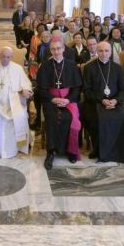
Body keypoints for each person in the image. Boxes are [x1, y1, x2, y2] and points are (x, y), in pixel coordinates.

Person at [83, 42, 124, 163]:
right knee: (99, 118)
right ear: (97, 51)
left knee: (122, 117)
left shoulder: (117, 67)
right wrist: (102, 100)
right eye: (101, 51)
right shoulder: (89, 67)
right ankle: (99, 151)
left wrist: (115, 100)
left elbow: (123, 89)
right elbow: (86, 90)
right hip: (96, 102)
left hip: (114, 101)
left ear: (110, 52)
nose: (104, 53)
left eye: (106, 51)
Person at [36, 40, 83, 170]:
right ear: (50, 51)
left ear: (63, 49)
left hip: (68, 99)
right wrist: (52, 99)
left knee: (70, 118)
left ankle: (71, 150)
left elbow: (76, 87)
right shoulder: (45, 66)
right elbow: (40, 88)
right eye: (53, 49)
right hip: (50, 100)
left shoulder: (71, 65)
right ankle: (50, 152)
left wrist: (68, 99)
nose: (56, 52)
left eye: (58, 49)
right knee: (52, 117)